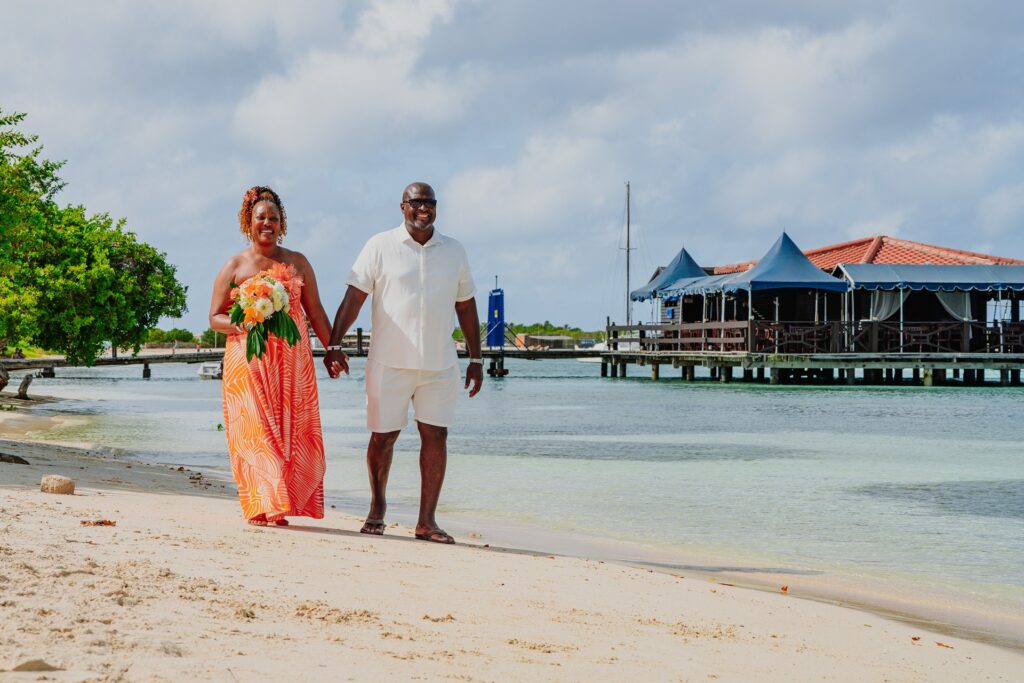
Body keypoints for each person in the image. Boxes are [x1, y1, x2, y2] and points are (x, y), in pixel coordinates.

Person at [324, 182, 482, 544]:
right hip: (389, 363)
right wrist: (333, 345)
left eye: (430, 203)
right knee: (383, 437)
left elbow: (467, 305)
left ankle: (427, 521)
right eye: (416, 203)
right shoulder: (379, 246)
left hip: (440, 364)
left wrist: (476, 357)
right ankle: (377, 509)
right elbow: (354, 299)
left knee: (436, 435)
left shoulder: (454, 250)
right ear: (402, 207)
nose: (423, 209)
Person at [209, 186, 339, 526]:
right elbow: (214, 318)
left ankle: (281, 503)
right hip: (247, 362)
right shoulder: (235, 265)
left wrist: (333, 349)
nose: (267, 223)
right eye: (261, 217)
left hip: (291, 363)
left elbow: (317, 312)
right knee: (255, 431)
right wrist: (245, 320)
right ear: (248, 222)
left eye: (274, 218)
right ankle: (263, 504)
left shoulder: (297, 262)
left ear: (282, 224)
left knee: (289, 431)